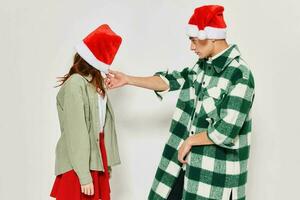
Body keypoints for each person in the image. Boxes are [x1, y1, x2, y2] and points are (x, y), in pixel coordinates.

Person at [105, 5, 255, 200]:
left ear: (211, 37)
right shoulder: (201, 68)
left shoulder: (240, 74)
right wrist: (128, 79)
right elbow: (170, 81)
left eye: (194, 40)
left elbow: (227, 130)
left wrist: (191, 140)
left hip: (213, 177)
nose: (191, 47)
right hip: (182, 168)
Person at [50, 24, 122, 200]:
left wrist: (107, 165)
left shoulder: (96, 86)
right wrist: (83, 174)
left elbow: (104, 126)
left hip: (97, 157)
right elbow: (77, 132)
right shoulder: (76, 84)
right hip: (79, 161)